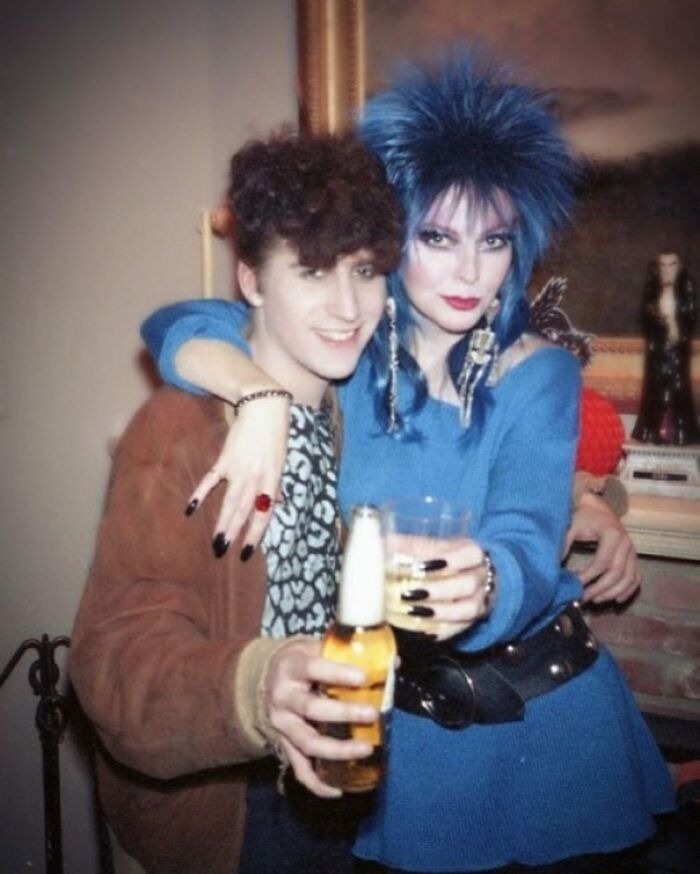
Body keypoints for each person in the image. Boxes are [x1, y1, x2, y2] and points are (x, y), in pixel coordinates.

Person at [141, 51, 672, 872]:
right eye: (437, 236)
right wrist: (256, 395)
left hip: (551, 731)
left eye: (493, 240)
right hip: (406, 743)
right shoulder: (341, 360)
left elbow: (528, 535)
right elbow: (183, 321)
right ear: (393, 237)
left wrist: (496, 576)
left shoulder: (541, 375)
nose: (470, 271)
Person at [69, 130, 405, 874]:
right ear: (251, 279)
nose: (349, 306)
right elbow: (116, 667)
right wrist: (260, 686)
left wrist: (589, 495)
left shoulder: (360, 411)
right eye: (313, 272)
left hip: (348, 787)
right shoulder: (183, 430)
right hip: (230, 817)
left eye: (365, 271)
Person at [632, 251, 700, 444]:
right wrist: (661, 320)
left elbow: (689, 319)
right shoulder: (652, 294)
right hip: (658, 353)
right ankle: (650, 432)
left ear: (679, 267)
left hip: (678, 351)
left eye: (672, 265)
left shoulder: (685, 293)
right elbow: (647, 320)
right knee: (655, 391)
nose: (667, 270)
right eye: (663, 265)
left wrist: (676, 328)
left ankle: (683, 433)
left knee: (679, 389)